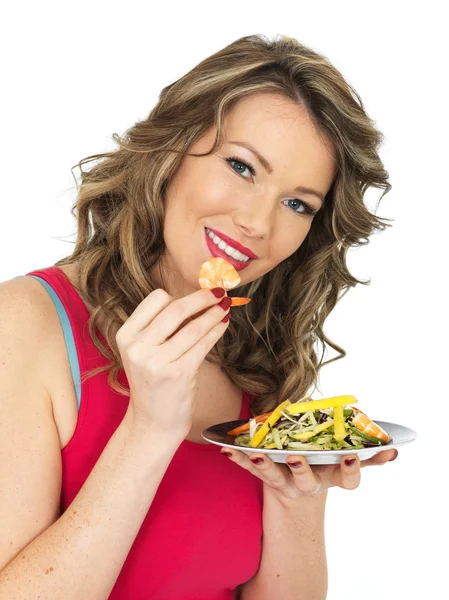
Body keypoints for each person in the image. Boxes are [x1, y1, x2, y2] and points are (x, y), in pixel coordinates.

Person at [0, 34, 398, 600]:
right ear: (171, 152)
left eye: (297, 204)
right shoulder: (23, 326)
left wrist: (297, 499)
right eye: (241, 166)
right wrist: (148, 429)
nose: (258, 223)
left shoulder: (258, 365)